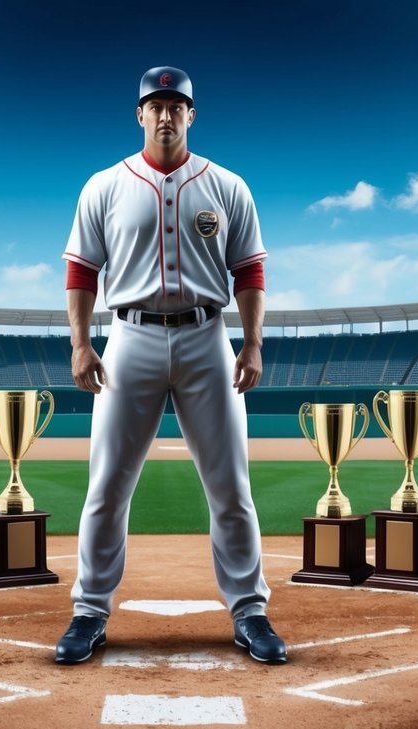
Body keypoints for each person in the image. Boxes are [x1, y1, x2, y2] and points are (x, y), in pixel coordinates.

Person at [55, 66, 286, 665]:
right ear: (139, 114)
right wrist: (82, 343)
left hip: (207, 337)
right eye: (154, 104)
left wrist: (254, 342)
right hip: (128, 338)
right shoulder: (104, 185)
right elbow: (81, 270)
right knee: (106, 485)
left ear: (192, 114)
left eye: (175, 105)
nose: (165, 114)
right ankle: (89, 612)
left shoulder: (228, 185)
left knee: (231, 485)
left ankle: (250, 611)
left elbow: (250, 272)